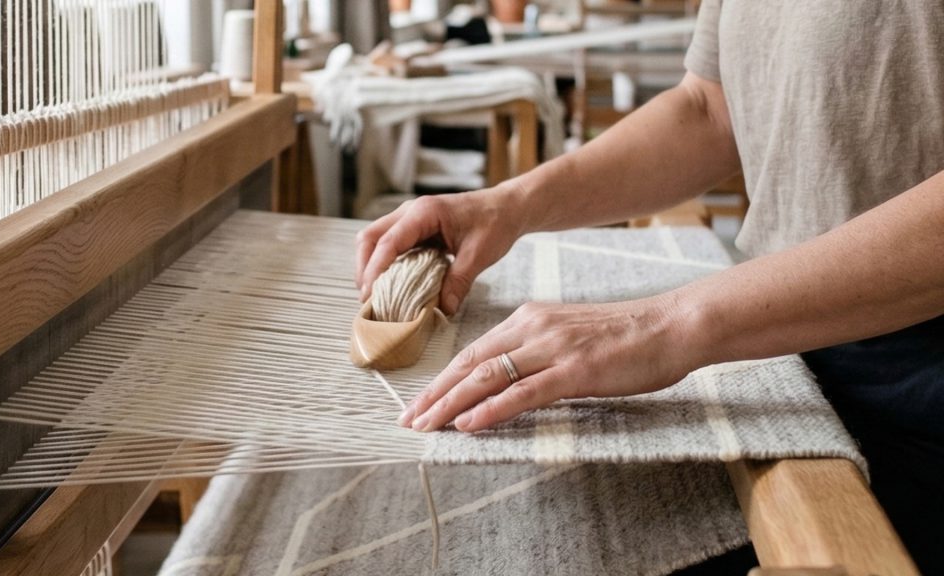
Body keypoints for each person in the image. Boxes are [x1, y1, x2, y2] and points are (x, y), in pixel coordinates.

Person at [354, 1, 944, 571]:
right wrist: (508, 204)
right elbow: (708, 109)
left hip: (919, 373)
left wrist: (669, 324)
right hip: (787, 341)